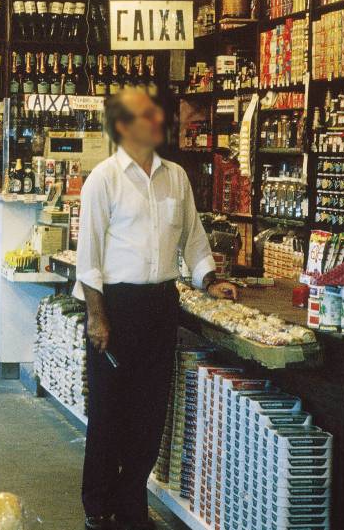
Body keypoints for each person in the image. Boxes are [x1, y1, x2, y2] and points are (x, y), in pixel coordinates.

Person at [75, 88, 238, 530]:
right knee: (109, 412)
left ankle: (131, 503)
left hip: (160, 304)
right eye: (146, 115)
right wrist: (97, 314)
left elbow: (194, 237)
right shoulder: (103, 179)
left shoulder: (175, 178)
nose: (157, 121)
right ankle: (98, 505)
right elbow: (88, 257)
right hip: (116, 306)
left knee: (150, 414)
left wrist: (210, 278)